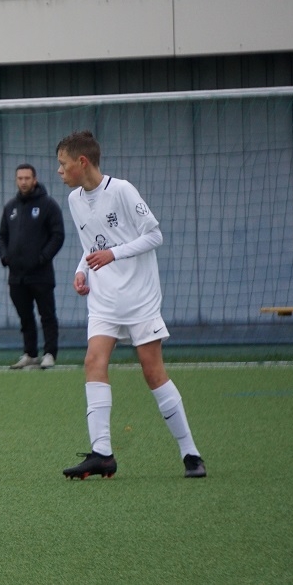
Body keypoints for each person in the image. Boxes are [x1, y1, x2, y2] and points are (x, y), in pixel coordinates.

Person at [55, 130, 206, 480]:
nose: (59, 171)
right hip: (104, 299)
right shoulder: (74, 199)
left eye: (63, 164)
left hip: (139, 298)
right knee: (93, 361)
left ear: (82, 162)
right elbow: (91, 244)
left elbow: (154, 235)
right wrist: (82, 271)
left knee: (152, 372)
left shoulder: (122, 190)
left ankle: (191, 453)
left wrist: (113, 254)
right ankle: (102, 454)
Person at [0, 163, 65, 370]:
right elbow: (2, 235)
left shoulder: (48, 205)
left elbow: (58, 235)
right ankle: (30, 354)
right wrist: (5, 257)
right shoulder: (11, 207)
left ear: (34, 180)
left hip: (41, 274)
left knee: (47, 315)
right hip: (17, 276)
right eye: (20, 178)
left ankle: (50, 353)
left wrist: (43, 257)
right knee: (25, 316)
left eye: (27, 178)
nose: (23, 182)